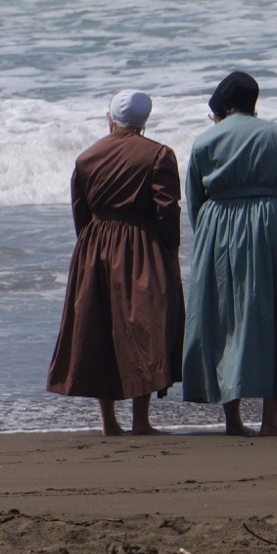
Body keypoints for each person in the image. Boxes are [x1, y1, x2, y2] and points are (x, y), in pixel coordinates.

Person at [182, 71, 277, 436]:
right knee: (276, 314)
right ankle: (271, 422)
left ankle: (233, 420)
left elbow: (195, 201)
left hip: (219, 228)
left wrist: (208, 237)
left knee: (225, 319)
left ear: (222, 107)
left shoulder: (203, 141)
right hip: (272, 224)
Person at [47, 90, 185, 436]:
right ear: (144, 122)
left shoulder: (86, 157)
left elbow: (80, 212)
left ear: (111, 119)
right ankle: (141, 421)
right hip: (141, 245)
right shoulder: (158, 154)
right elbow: (167, 211)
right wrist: (171, 250)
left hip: (95, 247)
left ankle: (109, 421)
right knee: (144, 327)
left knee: (99, 328)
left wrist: (89, 247)